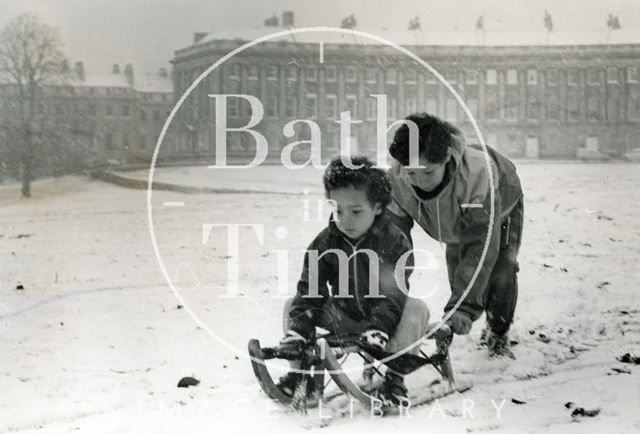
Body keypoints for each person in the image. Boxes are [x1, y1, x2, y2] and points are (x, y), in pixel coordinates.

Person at [278, 155, 430, 404]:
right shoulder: (326, 242)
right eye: (339, 210)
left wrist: (379, 327)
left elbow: (393, 294)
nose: (346, 219)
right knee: (291, 305)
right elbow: (310, 288)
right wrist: (299, 330)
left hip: (385, 322)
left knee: (416, 309)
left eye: (356, 211)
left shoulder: (394, 242)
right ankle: (300, 375)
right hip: (342, 316)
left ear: (378, 208)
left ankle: (394, 380)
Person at [386, 112, 524, 359]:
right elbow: (393, 245)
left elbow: (480, 246)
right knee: (458, 266)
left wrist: (462, 308)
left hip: (502, 207)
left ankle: (498, 331)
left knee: (501, 268)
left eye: (428, 173)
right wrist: (389, 304)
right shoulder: (396, 181)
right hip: (453, 219)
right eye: (412, 173)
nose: (419, 182)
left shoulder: (478, 175)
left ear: (447, 156)